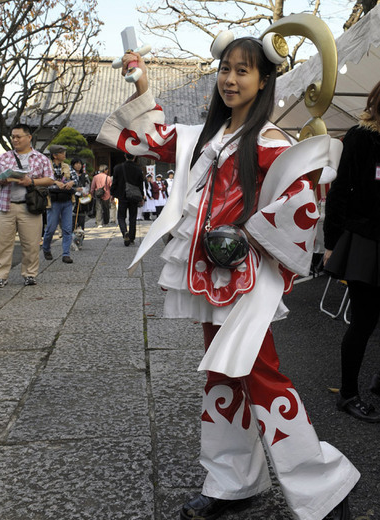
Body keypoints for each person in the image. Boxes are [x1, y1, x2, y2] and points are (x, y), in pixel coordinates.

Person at [97, 33, 359, 520]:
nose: (231, 79)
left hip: (247, 277)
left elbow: (304, 202)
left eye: (243, 70)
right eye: (225, 69)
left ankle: (325, 487)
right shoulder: (203, 137)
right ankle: (231, 482)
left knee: (261, 374)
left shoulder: (271, 142)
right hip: (210, 277)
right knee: (222, 374)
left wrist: (247, 236)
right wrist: (142, 82)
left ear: (263, 81)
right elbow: (152, 139)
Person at [323, 80, 380, 423]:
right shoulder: (360, 137)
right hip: (365, 242)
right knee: (363, 323)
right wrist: (331, 243)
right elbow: (339, 191)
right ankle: (348, 394)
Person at [0, 124, 54, 287]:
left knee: (31, 244)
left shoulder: (40, 158)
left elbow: (50, 179)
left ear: (29, 137)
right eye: (13, 137)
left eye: (18, 136)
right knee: (2, 243)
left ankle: (30, 274)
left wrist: (30, 181)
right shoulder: (4, 157)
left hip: (30, 207)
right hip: (6, 206)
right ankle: (0, 276)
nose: (15, 139)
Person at [42, 144, 77, 264]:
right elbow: (42, 182)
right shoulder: (47, 166)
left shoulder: (67, 166)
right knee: (51, 228)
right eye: (62, 153)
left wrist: (71, 182)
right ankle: (46, 248)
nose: (64, 155)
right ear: (55, 155)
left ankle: (66, 254)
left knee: (67, 229)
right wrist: (56, 183)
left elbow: (75, 179)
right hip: (53, 201)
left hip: (67, 200)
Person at [111, 154, 144, 246]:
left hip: (122, 195)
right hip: (134, 197)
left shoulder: (118, 168)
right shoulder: (138, 169)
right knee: (133, 217)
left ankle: (125, 232)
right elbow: (141, 185)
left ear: (125, 156)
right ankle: (132, 238)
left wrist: (112, 194)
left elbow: (115, 182)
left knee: (121, 216)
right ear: (134, 157)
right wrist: (142, 197)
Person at [70, 157, 90, 231]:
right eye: (76, 164)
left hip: (82, 199)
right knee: (72, 219)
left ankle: (81, 235)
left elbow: (88, 185)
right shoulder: (70, 175)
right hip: (72, 198)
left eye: (80, 164)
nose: (78, 165)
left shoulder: (85, 175)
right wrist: (75, 190)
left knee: (81, 218)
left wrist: (85, 192)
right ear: (73, 165)